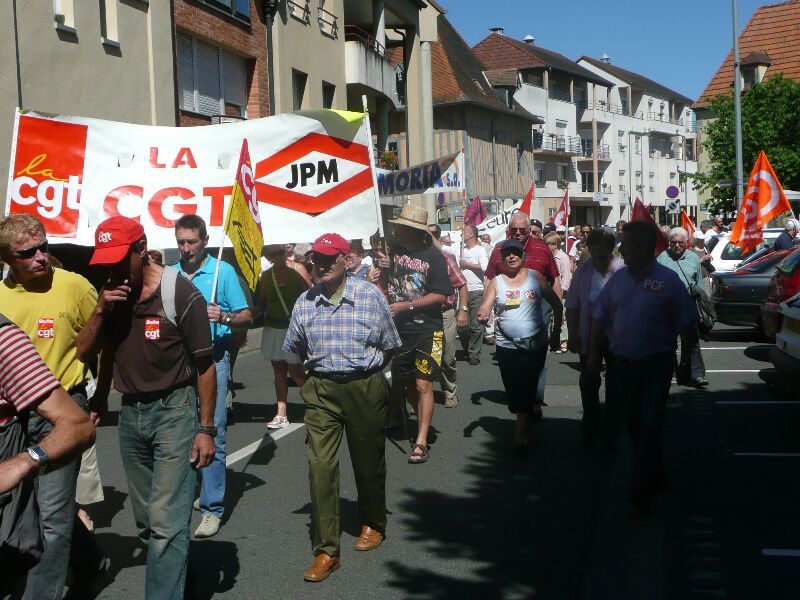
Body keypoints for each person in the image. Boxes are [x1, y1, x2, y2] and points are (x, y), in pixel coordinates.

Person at [76, 216, 217, 599]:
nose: (112, 268)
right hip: (131, 414)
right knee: (148, 524)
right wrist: (102, 395)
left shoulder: (181, 294)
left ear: (142, 249)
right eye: (105, 260)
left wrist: (206, 430)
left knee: (167, 525)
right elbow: (91, 352)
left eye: (120, 258)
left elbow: (205, 366)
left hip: (175, 410)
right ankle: (179, 570)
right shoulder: (111, 293)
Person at [283, 233, 401, 583]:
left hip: (365, 385)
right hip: (321, 389)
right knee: (320, 467)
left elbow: (391, 345)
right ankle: (326, 550)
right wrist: (307, 386)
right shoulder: (304, 302)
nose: (318, 265)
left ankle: (373, 521)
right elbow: (292, 351)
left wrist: (373, 377)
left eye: (326, 258)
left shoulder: (369, 296)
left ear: (346, 260)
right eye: (314, 259)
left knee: (368, 462)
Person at [0, 214, 99, 600]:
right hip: (15, 416)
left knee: (53, 517)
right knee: (30, 509)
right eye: (29, 252)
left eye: (45, 247)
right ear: (7, 258)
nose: (42, 257)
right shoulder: (1, 296)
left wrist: (98, 393)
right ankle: (90, 559)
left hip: (63, 407)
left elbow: (100, 336)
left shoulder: (74, 285)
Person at [588, 220, 699, 510]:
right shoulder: (619, 279)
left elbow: (687, 323)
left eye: (626, 243)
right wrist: (593, 355)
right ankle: (655, 472)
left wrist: (685, 362)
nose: (621, 248)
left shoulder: (668, 281)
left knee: (649, 423)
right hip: (622, 366)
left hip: (656, 366)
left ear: (645, 248)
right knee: (636, 426)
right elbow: (600, 317)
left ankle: (640, 488)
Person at [0, 314, 94, 596]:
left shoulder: (5, 341)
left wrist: (23, 462)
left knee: (52, 521)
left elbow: (78, 425)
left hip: (51, 408)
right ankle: (90, 559)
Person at [173, 214, 252, 539]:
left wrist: (225, 315)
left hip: (214, 359)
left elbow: (247, 316)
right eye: (181, 242)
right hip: (179, 363)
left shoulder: (223, 271)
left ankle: (212, 509)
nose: (187, 248)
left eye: (192, 241)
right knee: (181, 433)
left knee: (213, 433)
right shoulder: (172, 274)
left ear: (205, 241)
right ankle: (195, 492)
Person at [374, 205, 453, 464]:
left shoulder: (434, 256)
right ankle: (421, 421)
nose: (395, 231)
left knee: (423, 384)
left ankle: (421, 440)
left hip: (429, 331)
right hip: (400, 332)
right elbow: (387, 284)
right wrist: (382, 270)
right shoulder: (393, 253)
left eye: (400, 227)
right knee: (409, 385)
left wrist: (408, 305)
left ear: (412, 230)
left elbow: (442, 294)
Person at [477, 240, 562, 450]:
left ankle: (520, 433)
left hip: (535, 342)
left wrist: (557, 331)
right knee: (513, 386)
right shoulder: (497, 281)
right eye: (507, 254)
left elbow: (556, 304)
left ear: (523, 256)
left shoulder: (535, 277)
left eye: (516, 253)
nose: (512, 256)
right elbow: (486, 304)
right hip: (506, 344)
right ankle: (524, 416)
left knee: (528, 383)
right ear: (502, 258)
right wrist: (483, 313)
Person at [485, 212, 561, 418]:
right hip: (507, 310)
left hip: (538, 306)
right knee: (511, 366)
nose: (518, 233)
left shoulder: (542, 248)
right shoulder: (499, 249)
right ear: (509, 229)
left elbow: (554, 280)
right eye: (514, 229)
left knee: (537, 357)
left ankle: (534, 399)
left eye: (522, 230)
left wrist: (557, 308)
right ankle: (521, 398)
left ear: (528, 230)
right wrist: (486, 307)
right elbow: (490, 279)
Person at [565, 229, 624, 445]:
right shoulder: (584, 271)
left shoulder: (622, 270)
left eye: (603, 252)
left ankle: (612, 426)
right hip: (588, 334)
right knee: (589, 381)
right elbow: (572, 304)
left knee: (616, 383)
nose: (598, 257)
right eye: (594, 252)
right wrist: (572, 334)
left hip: (617, 336)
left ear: (612, 250)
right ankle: (590, 423)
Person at [254, 244, 309, 429]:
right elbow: (262, 302)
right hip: (273, 327)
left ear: (285, 252)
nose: (277, 257)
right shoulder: (266, 276)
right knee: (278, 372)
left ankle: (316, 403)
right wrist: (251, 314)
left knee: (296, 372)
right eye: (272, 254)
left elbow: (311, 295)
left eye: (280, 252)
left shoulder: (298, 270)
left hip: (293, 328)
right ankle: (281, 414)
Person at [657, 227, 708, 389]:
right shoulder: (661, 258)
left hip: (688, 305)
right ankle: (670, 372)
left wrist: (702, 307)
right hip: (667, 307)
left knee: (692, 342)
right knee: (668, 342)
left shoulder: (693, 258)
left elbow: (699, 284)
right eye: (673, 242)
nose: (677, 245)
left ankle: (696, 374)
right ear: (669, 243)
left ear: (686, 243)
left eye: (680, 242)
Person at [428, 224, 469, 408]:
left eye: (433, 235)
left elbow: (461, 284)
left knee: (447, 357)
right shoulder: (413, 259)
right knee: (427, 355)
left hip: (445, 313)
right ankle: (423, 393)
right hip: (425, 315)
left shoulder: (446, 258)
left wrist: (463, 309)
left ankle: (450, 390)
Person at [459, 224, 489, 365]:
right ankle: (468, 348)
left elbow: (485, 267)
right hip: (461, 291)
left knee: (476, 324)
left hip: (476, 290)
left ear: (471, 235)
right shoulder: (461, 249)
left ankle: (474, 353)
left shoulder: (480, 250)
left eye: (464, 232)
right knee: (462, 325)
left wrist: (468, 265)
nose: (462, 233)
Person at [545, 232, 571, 353]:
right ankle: (553, 340)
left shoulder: (563, 257)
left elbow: (566, 277)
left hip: (561, 292)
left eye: (548, 244)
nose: (545, 246)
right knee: (551, 317)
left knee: (561, 316)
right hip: (550, 291)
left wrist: (562, 291)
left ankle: (563, 341)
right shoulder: (548, 256)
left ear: (555, 245)